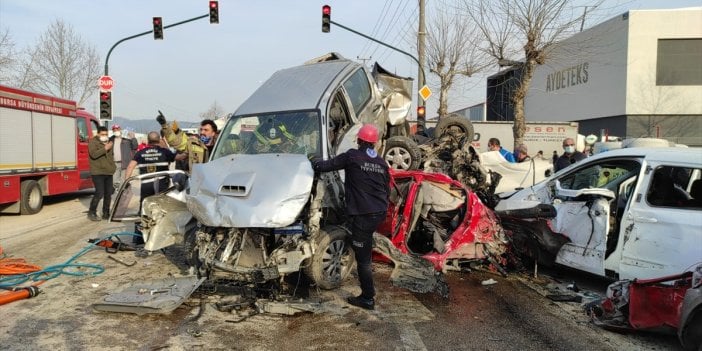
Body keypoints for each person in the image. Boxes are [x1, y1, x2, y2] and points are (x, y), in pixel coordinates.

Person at [311, 124, 390, 311]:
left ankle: (367, 298)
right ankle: (358, 243)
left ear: (359, 140)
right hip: (378, 212)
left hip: (364, 215)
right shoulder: (381, 163)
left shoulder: (352, 156)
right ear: (375, 143)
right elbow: (386, 189)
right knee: (362, 241)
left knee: (363, 260)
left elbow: (325, 166)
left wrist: (312, 160)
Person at [124, 131, 177, 244]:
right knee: (162, 209)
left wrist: (126, 181)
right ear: (158, 140)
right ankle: (160, 237)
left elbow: (130, 167)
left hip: (146, 186)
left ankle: (138, 238)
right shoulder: (165, 152)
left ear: (148, 140)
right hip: (162, 186)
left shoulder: (140, 152)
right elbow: (179, 157)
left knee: (144, 209)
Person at [87, 126, 116, 221]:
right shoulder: (93, 142)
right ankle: (92, 212)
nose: (105, 136)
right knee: (99, 193)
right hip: (98, 172)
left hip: (108, 171)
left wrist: (113, 167)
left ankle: (106, 213)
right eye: (103, 134)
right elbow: (93, 154)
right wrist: (105, 148)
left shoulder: (109, 142)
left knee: (108, 193)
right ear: (98, 134)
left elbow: (111, 156)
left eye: (106, 134)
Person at [110, 124, 138, 188]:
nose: (116, 131)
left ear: (120, 129)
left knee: (123, 180)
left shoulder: (126, 138)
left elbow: (135, 146)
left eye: (117, 129)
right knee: (114, 181)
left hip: (125, 162)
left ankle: (121, 193)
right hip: (114, 163)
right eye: (114, 129)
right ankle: (118, 190)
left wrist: (133, 137)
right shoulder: (111, 139)